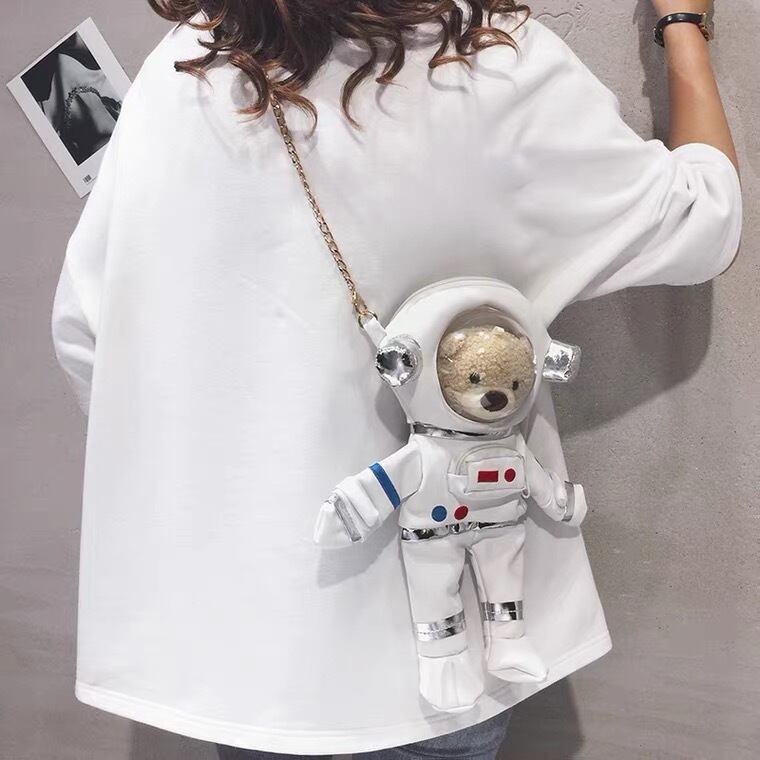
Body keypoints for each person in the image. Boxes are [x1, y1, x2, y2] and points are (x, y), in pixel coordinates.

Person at [50, 1, 741, 758]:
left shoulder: (185, 70)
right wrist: (682, 25)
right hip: (432, 659)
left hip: (250, 656)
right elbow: (703, 218)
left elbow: (86, 331)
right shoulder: (486, 63)